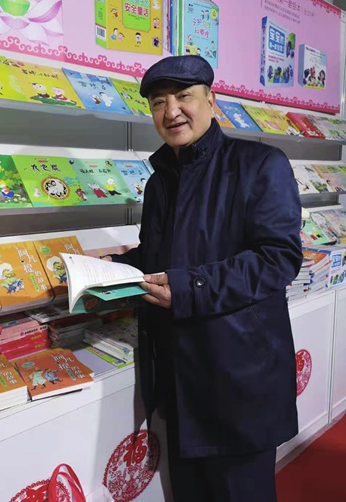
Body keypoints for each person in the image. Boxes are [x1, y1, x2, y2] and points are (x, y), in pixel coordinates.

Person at [104, 55, 303, 501]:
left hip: (238, 382)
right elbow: (159, 256)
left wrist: (189, 288)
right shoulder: (160, 182)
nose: (171, 110)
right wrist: (110, 267)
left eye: (183, 96)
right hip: (179, 381)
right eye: (159, 102)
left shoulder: (260, 164)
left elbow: (279, 258)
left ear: (211, 101)